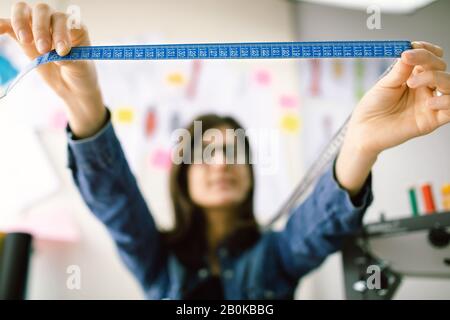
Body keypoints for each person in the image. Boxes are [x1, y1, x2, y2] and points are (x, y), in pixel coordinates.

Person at [1, 2, 449, 300]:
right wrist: (83, 99)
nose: (220, 163)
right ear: (182, 175)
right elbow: (114, 200)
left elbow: (320, 225)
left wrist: (363, 142)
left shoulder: (279, 254)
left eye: (234, 152)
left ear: (252, 174)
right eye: (205, 151)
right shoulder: (155, 256)